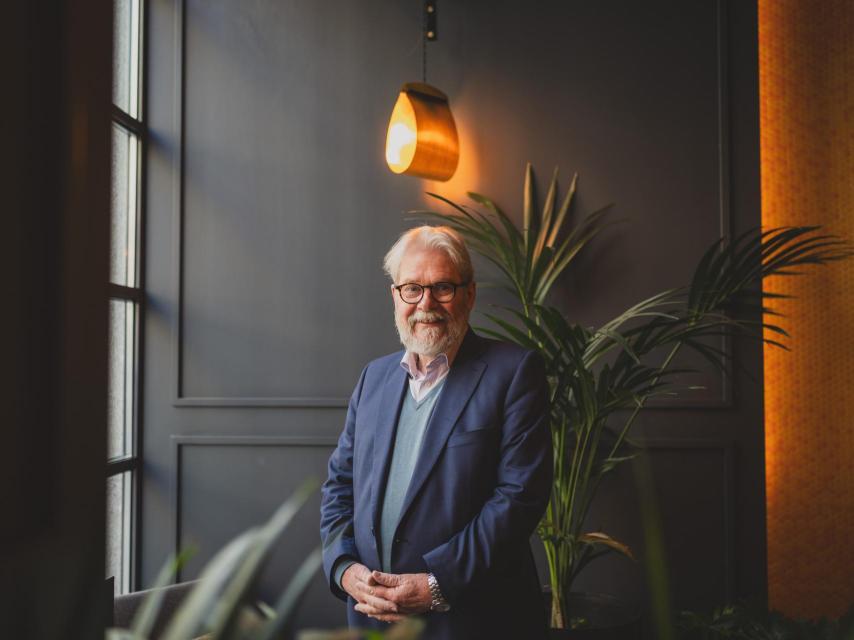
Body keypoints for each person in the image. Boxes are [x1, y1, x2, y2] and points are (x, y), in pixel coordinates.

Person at [320, 225, 552, 639]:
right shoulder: (373, 378)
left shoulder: (515, 373)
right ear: (396, 296)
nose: (426, 303)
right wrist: (343, 568)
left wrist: (434, 585)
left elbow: (519, 498)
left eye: (442, 287)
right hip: (373, 617)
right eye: (412, 288)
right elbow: (339, 485)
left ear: (469, 294)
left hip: (472, 620)